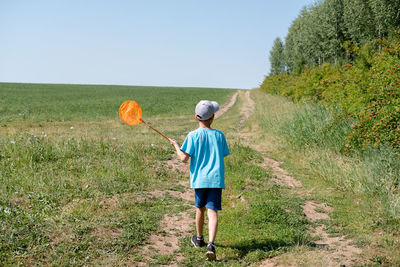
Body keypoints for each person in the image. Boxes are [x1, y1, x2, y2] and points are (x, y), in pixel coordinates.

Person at [169, 100, 230, 261]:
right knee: (213, 211)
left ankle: (199, 239)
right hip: (216, 180)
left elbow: (183, 158)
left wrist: (176, 145)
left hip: (200, 180)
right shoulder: (219, 135)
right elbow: (223, 153)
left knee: (200, 209)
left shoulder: (193, 136)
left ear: (196, 117)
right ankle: (211, 244)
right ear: (213, 117)